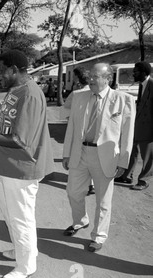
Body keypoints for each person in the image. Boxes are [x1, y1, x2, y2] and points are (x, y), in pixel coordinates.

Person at [0, 50, 54, 278]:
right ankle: (22, 250)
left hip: (21, 169)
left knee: (21, 217)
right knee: (9, 213)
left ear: (14, 69)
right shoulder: (16, 90)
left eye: (2, 70)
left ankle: (25, 266)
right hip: (6, 166)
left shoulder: (30, 95)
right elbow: (4, 124)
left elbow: (19, 140)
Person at [62, 62, 136, 253]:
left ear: (108, 78)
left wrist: (123, 161)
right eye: (90, 76)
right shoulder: (79, 97)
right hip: (81, 152)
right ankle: (80, 221)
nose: (91, 79)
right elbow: (71, 128)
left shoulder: (123, 100)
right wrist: (67, 153)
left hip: (105, 156)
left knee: (103, 200)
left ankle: (99, 236)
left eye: (96, 76)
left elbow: (127, 135)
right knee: (73, 191)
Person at [115, 61, 153, 191]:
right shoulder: (142, 85)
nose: (133, 74)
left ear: (143, 73)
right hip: (137, 126)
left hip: (148, 128)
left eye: (135, 72)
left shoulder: (152, 85)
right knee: (131, 151)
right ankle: (126, 175)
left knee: (147, 156)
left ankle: (143, 180)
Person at [61, 67, 95, 195]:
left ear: (78, 78)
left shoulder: (77, 94)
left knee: (80, 158)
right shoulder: (94, 93)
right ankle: (90, 184)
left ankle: (83, 185)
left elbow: (66, 107)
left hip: (78, 130)